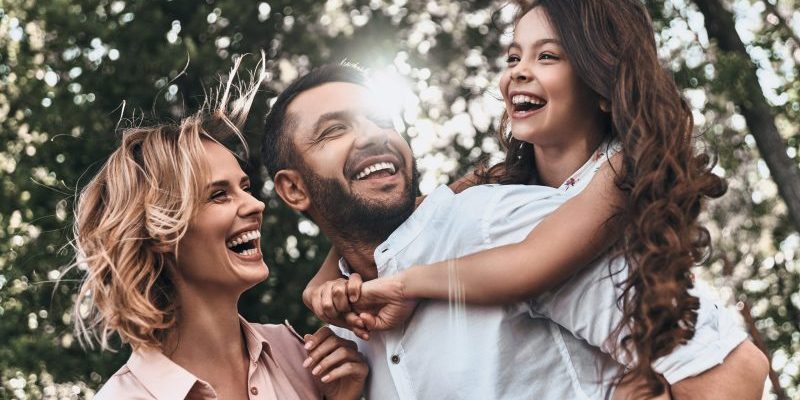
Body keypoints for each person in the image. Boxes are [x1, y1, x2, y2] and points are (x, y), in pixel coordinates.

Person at [261, 61, 766, 399]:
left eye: (380, 119)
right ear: (293, 190)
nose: (373, 136)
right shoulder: (342, 341)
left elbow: (731, 369)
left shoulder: (494, 223)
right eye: (334, 130)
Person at [71, 58, 367, 400]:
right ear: (158, 231)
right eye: (219, 195)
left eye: (245, 187)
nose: (256, 205)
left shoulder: (301, 356)